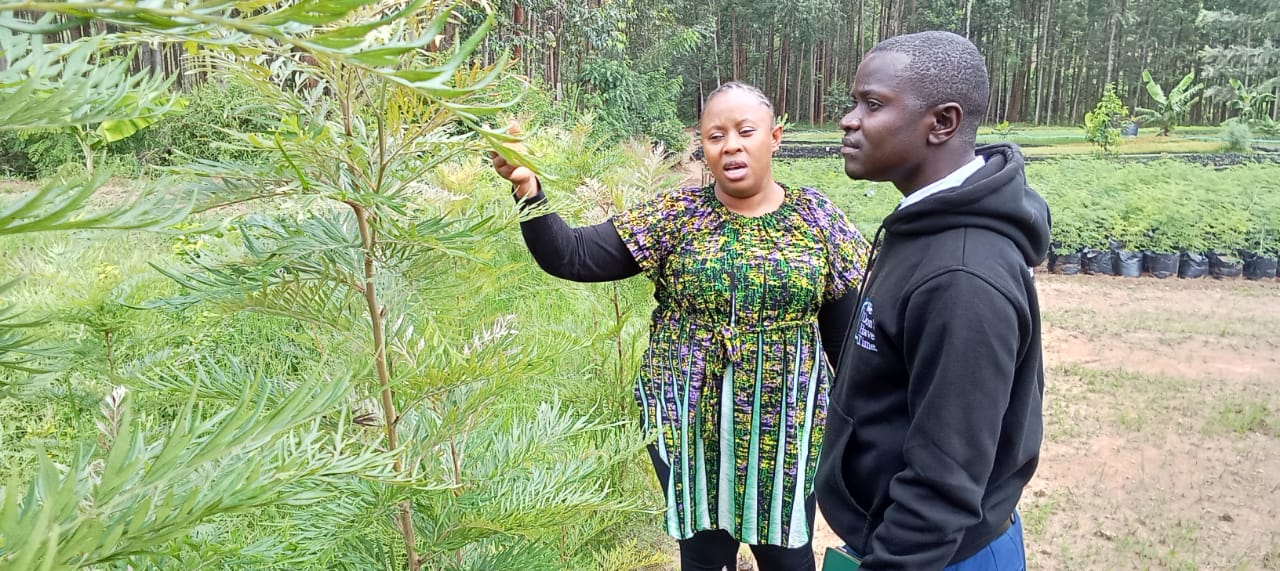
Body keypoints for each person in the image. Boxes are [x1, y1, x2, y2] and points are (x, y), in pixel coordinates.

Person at [491, 82, 869, 571]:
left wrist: (862, 428)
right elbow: (572, 256)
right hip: (688, 422)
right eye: (715, 136)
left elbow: (845, 339)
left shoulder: (816, 217)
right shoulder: (677, 217)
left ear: (774, 138)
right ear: (703, 149)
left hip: (788, 430)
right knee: (705, 557)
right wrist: (528, 191)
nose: (730, 144)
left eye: (745, 131)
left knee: (789, 559)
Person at [815, 31, 1051, 571]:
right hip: (905, 538)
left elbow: (943, 483)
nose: (849, 120)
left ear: (941, 123)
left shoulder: (962, 277)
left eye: (872, 104)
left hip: (933, 555)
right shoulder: (923, 227)